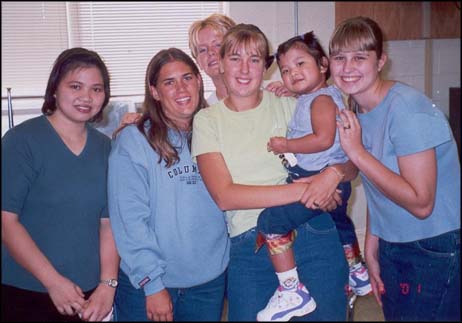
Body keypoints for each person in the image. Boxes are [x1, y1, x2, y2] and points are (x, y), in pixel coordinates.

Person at [191, 23, 354, 321]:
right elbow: (225, 196)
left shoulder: (291, 105)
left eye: (254, 59)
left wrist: (332, 176)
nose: (244, 68)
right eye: (235, 58)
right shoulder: (206, 120)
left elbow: (351, 161)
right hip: (251, 246)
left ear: (264, 67)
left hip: (313, 230)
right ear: (221, 62)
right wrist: (310, 189)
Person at [329, 16, 460, 321]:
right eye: (340, 58)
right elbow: (381, 186)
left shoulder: (407, 110)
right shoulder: (358, 109)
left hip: (433, 247)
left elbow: (421, 203)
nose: (348, 68)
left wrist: (357, 153)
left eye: (360, 57)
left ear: (380, 61)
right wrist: (372, 249)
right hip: (394, 243)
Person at [253, 30, 372, 321]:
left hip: (320, 178)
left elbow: (322, 138)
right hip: (331, 180)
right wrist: (291, 90)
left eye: (300, 64)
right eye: (286, 70)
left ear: (323, 65)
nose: (292, 73)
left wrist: (286, 144)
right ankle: (357, 270)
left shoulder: (321, 101)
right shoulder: (318, 97)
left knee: (270, 221)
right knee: (339, 220)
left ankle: (291, 291)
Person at [108, 47, 229, 322]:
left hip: (208, 284)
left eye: (187, 78)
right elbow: (129, 220)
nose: (181, 89)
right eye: (169, 82)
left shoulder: (218, 132)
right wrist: (153, 284)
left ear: (199, 81)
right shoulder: (134, 141)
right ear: (154, 91)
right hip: (150, 286)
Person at [1, 47, 119, 322]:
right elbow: (6, 221)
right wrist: (53, 282)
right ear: (55, 88)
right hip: (27, 291)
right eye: (75, 86)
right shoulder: (20, 142)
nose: (86, 97)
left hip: (90, 297)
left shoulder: (106, 148)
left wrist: (107, 285)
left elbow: (108, 223)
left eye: (96, 89)